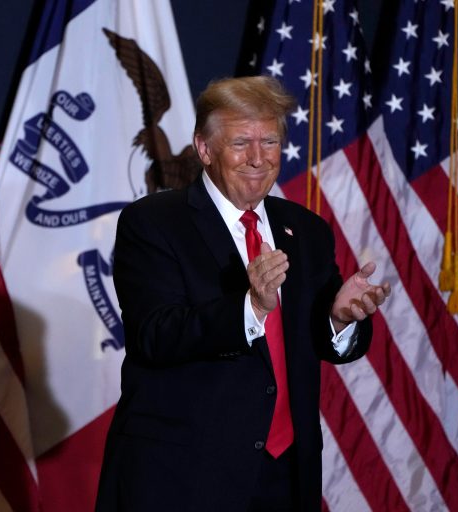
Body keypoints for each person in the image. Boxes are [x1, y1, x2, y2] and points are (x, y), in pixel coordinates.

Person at [95, 76, 391, 511]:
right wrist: (249, 307)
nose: (257, 157)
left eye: (269, 141)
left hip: (286, 476)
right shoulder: (154, 222)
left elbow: (322, 345)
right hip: (184, 476)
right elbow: (155, 336)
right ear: (204, 149)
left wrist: (339, 319)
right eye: (240, 143)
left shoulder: (306, 230)